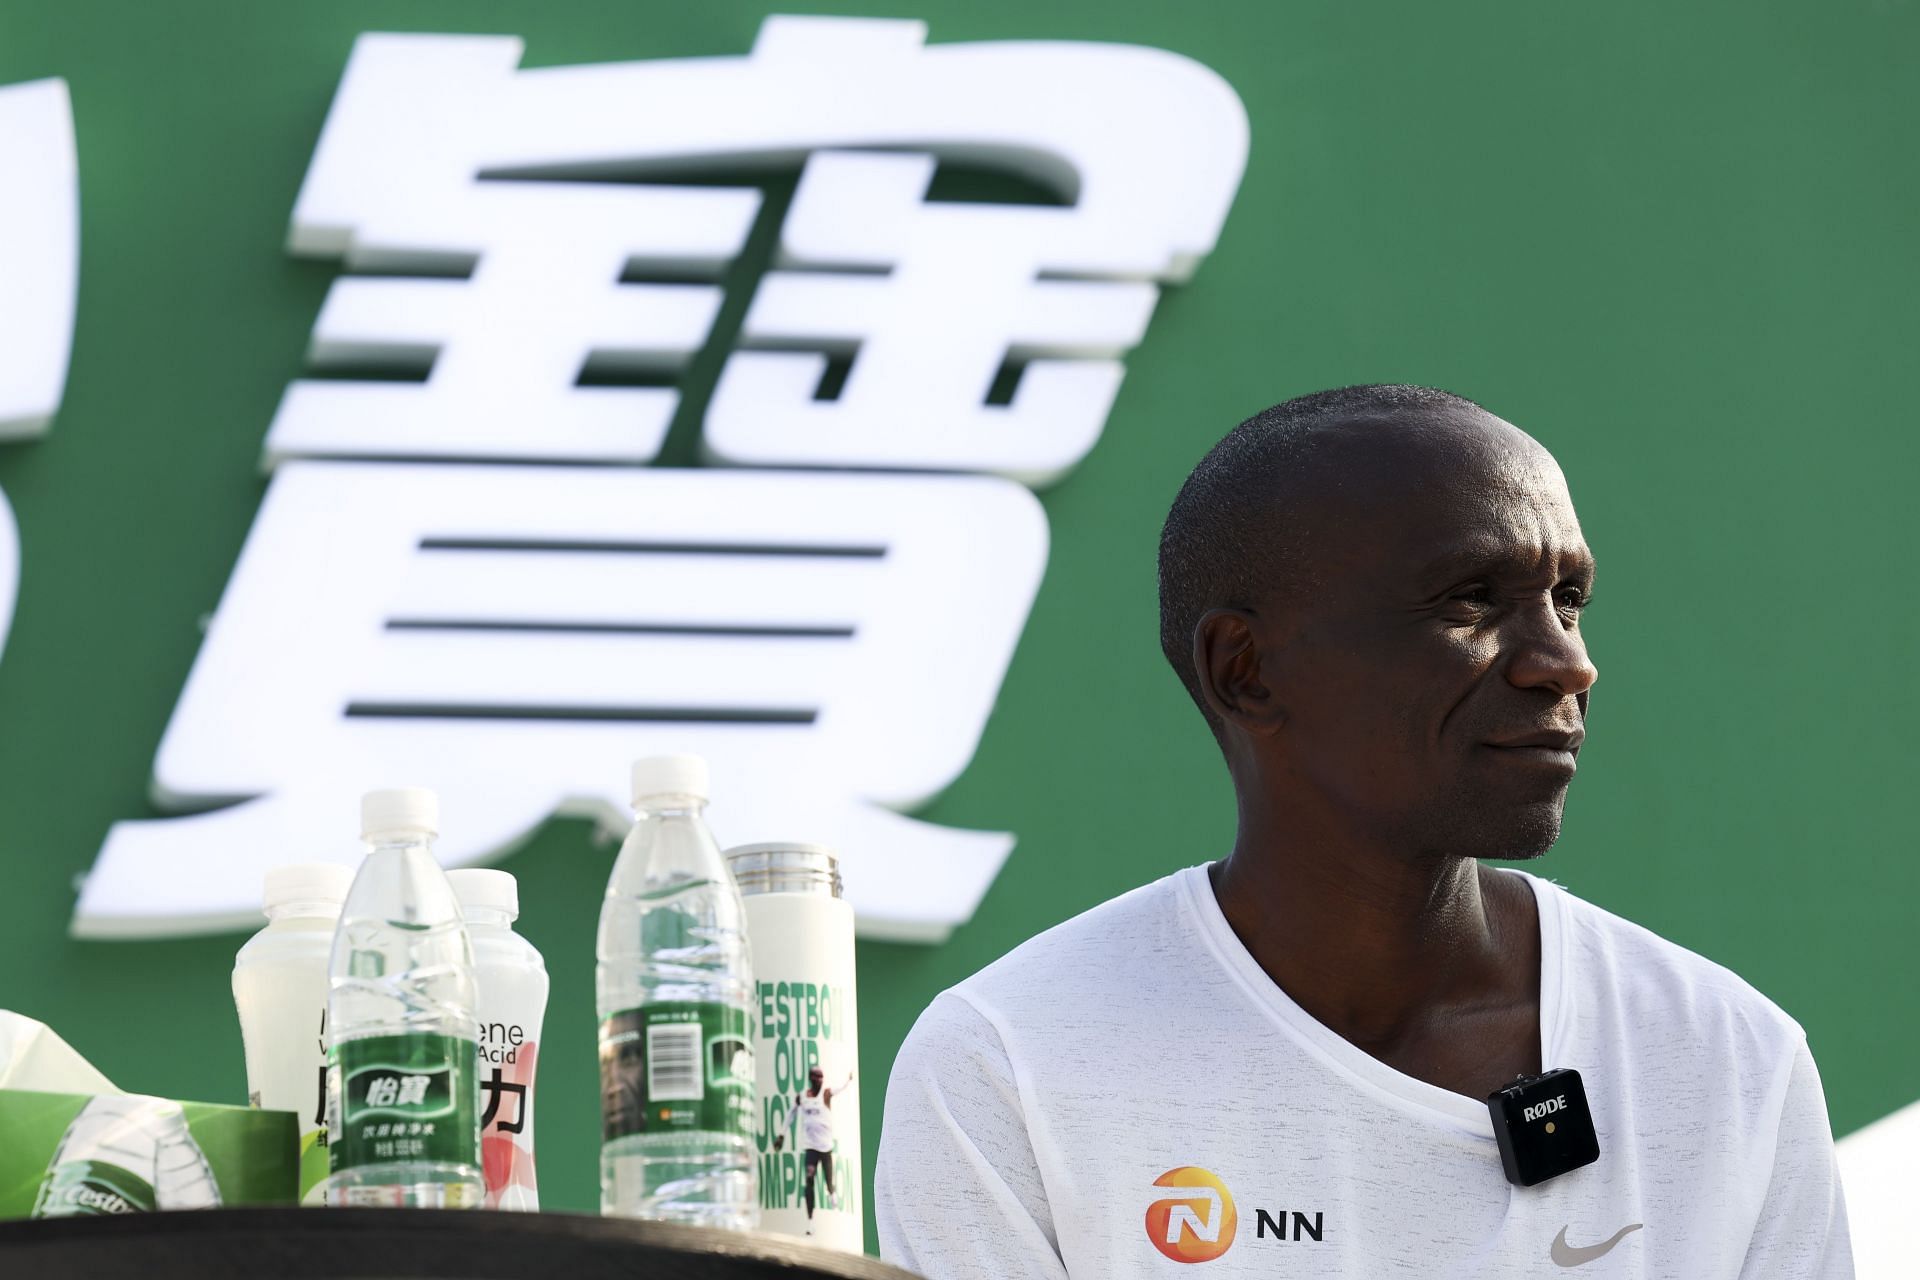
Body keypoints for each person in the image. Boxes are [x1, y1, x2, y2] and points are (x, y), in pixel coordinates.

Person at [875, 386, 1851, 1277]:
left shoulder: (1725, 1058)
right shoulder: (1009, 1065)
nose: (1566, 663)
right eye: (1470, 600)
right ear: (1246, 668)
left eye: (1568, 601)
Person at [773, 1064, 853, 1231]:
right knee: (809, 1178)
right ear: (811, 1078)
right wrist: (781, 1134)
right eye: (817, 1076)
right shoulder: (802, 1097)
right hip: (811, 1147)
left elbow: (840, 1088)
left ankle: (833, 1200)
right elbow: (791, 1114)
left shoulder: (826, 1094)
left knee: (829, 1183)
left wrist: (849, 1079)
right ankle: (810, 1221)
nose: (820, 1080)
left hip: (825, 1147)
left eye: (822, 1076)